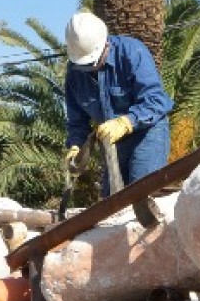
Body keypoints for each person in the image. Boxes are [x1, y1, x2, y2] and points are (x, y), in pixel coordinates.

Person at [63, 12, 174, 193]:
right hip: (112, 143)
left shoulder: (132, 53)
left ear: (105, 44)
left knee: (141, 195)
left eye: (93, 62)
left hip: (147, 134)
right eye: (84, 65)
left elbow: (156, 101)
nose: (89, 68)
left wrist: (126, 122)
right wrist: (76, 145)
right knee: (111, 205)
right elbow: (77, 121)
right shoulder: (75, 72)